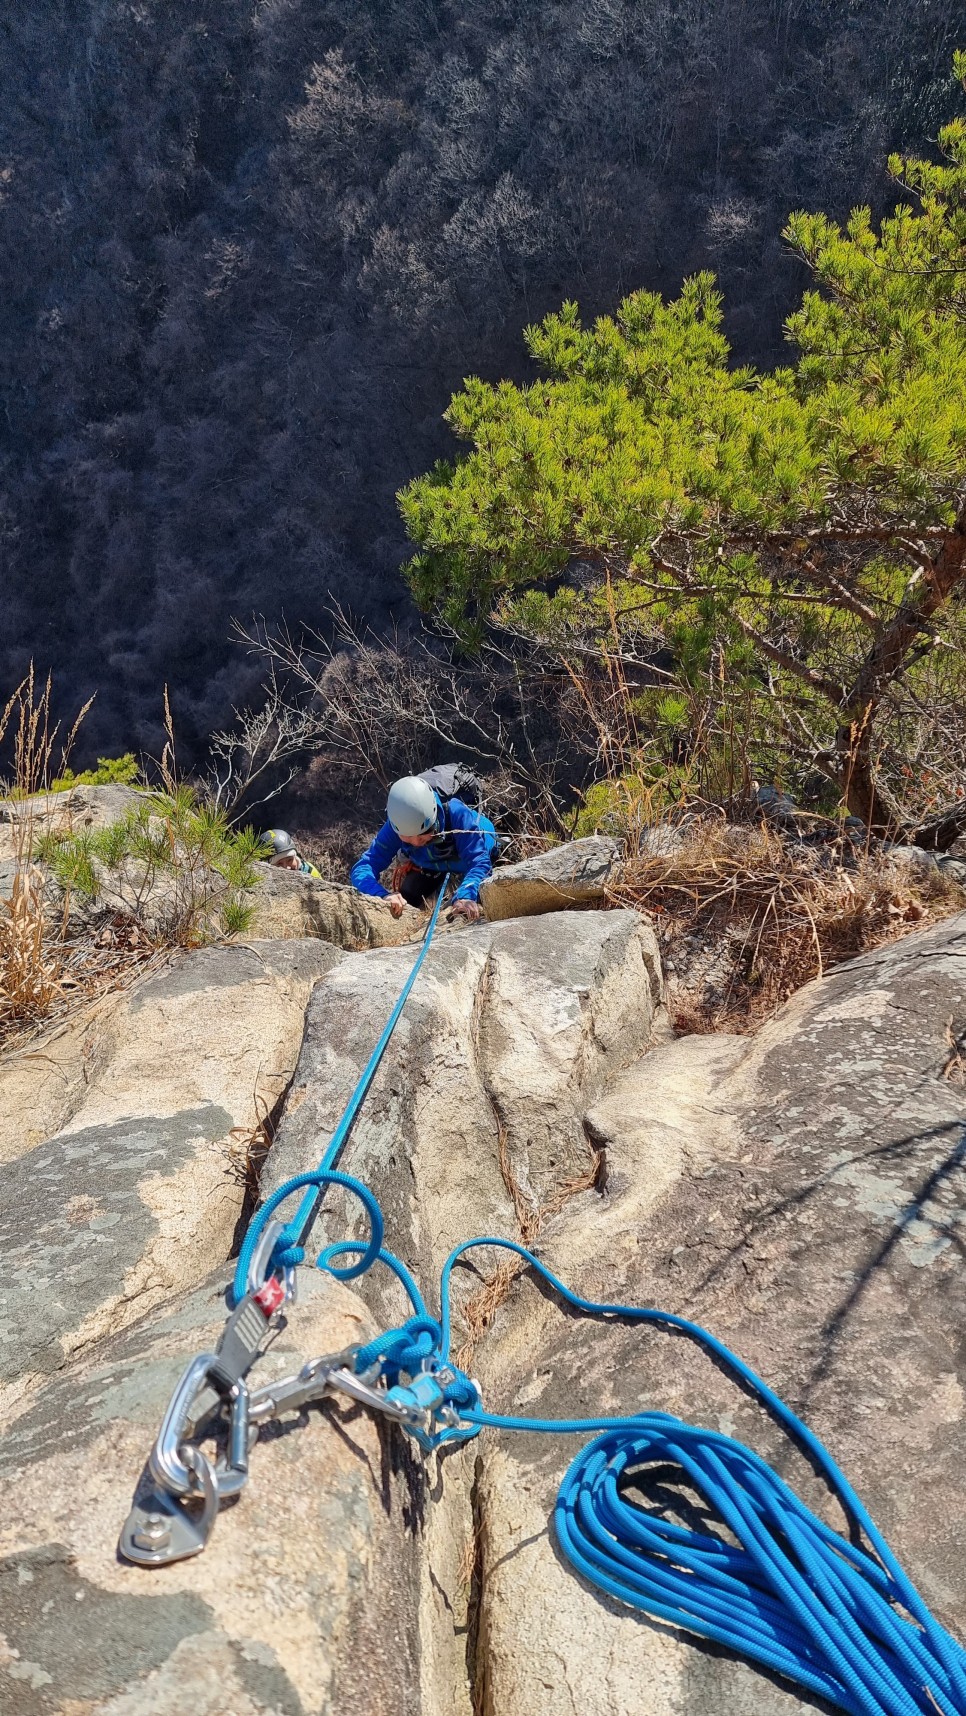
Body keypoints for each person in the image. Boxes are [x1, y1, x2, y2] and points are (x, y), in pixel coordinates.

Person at [350, 775, 496, 922]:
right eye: (407, 837)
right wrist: (382, 895)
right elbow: (363, 867)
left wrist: (465, 895)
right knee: (402, 906)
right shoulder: (396, 827)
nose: (416, 842)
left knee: (472, 906)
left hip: (476, 856)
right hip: (431, 863)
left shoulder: (457, 815)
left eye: (422, 835)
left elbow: (479, 863)